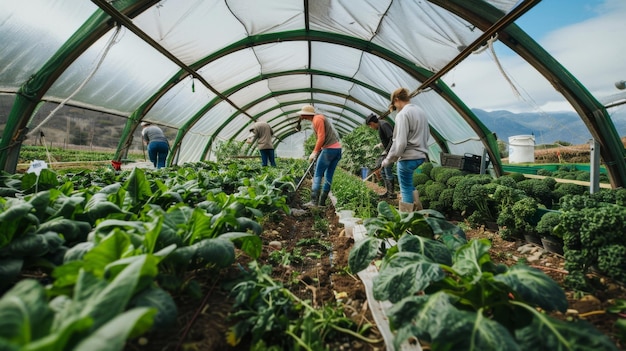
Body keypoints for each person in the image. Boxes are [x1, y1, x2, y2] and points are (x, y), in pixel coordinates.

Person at [381, 88, 429, 212]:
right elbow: (426, 134)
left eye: (394, 105)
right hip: (420, 156)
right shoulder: (420, 111)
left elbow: (400, 143)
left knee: (405, 189)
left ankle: (407, 221)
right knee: (409, 185)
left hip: (408, 158)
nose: (395, 107)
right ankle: (419, 214)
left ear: (396, 100)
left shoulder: (403, 115)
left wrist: (388, 160)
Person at [298, 105, 342, 208]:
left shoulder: (317, 119)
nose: (301, 116)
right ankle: (322, 202)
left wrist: (314, 152)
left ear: (306, 114)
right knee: (328, 175)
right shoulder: (320, 118)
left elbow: (321, 137)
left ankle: (313, 202)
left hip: (329, 150)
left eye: (302, 114)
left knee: (317, 174)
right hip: (336, 150)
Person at [366, 113, 396, 199]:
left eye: (370, 126)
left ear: (372, 123)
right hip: (389, 151)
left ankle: (391, 193)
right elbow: (387, 139)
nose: (371, 128)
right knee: (383, 171)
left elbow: (392, 139)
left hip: (392, 152)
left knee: (387, 170)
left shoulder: (384, 125)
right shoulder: (381, 126)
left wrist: (386, 150)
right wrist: (381, 145)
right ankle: (388, 191)